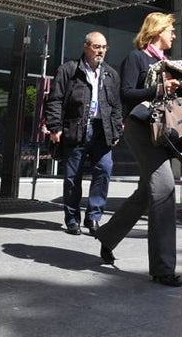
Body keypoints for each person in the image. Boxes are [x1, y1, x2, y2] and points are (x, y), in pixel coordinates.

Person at [92, 11, 182, 287]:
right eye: (170, 30)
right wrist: (159, 88)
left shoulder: (169, 63)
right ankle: (163, 268)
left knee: (146, 194)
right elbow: (126, 94)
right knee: (164, 189)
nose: (174, 35)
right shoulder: (137, 58)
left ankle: (107, 236)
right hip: (141, 130)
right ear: (156, 31)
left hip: (164, 133)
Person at [44, 31, 123, 234]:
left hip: (102, 131)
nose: (101, 51)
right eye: (97, 47)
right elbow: (55, 99)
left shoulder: (111, 74)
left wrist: (115, 131)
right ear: (86, 46)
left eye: (104, 47)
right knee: (72, 177)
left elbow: (116, 106)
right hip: (76, 128)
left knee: (104, 170)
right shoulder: (69, 70)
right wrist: (55, 127)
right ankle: (72, 219)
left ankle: (94, 217)